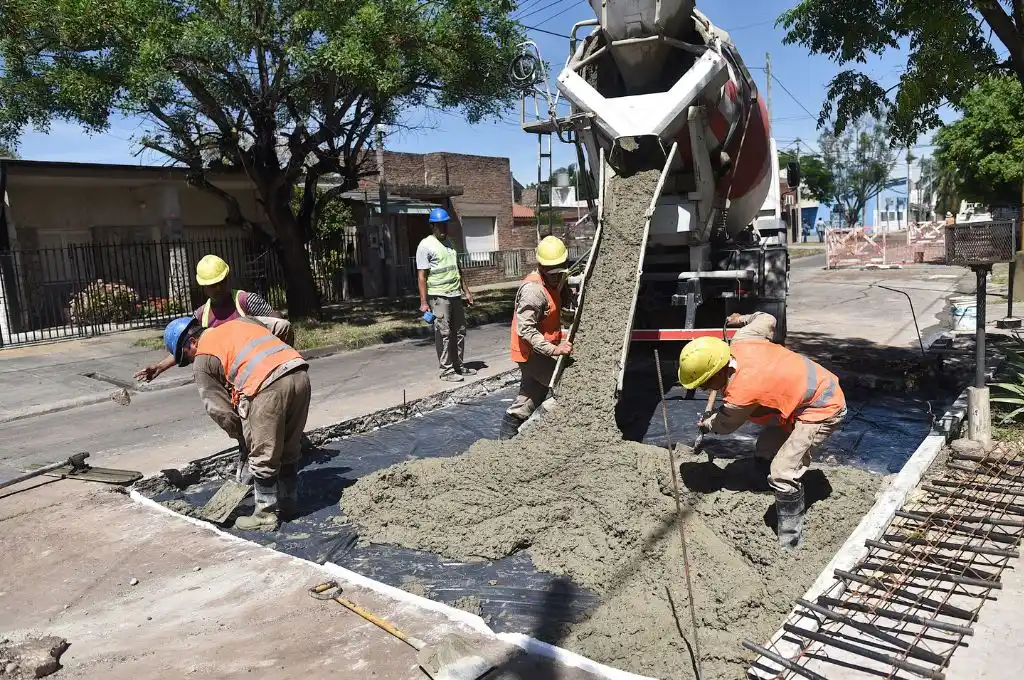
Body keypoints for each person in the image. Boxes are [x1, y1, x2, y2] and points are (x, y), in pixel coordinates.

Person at [677, 312, 847, 550]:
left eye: (705, 384)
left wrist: (707, 423)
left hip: (822, 407)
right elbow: (767, 318)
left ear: (717, 372)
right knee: (767, 446)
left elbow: (725, 424)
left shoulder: (742, 392)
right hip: (799, 402)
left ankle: (790, 538)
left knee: (782, 472)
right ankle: (763, 487)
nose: (704, 390)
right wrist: (742, 318)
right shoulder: (742, 339)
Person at [163, 315, 311, 531]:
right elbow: (283, 325)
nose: (192, 361)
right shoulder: (241, 322)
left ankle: (264, 515)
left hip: (266, 386)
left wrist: (242, 436)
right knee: (289, 446)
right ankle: (289, 502)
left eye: (188, 357)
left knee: (263, 454)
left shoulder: (203, 359)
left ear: (192, 343)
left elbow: (219, 410)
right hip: (298, 371)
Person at [135, 254, 293, 383]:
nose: (217, 288)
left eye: (220, 282)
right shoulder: (202, 314)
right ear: (203, 287)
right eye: (212, 285)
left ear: (227, 279)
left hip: (259, 372)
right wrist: (160, 367)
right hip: (227, 380)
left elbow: (279, 324)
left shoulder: (245, 301)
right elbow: (185, 345)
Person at [499, 236, 573, 440]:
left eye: (560, 269)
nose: (557, 276)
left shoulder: (555, 281)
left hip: (539, 350)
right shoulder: (533, 291)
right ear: (541, 266)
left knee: (530, 397)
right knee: (566, 389)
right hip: (532, 352)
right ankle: (530, 436)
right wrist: (554, 350)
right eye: (552, 271)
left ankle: (505, 444)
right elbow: (526, 330)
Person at [416, 207, 476, 382]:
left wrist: (467, 292)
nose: (444, 229)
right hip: (439, 296)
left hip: (455, 294)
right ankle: (447, 370)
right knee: (444, 333)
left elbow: (458, 269)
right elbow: (422, 276)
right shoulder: (425, 245)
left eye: (445, 225)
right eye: (440, 226)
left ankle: (458, 365)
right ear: (432, 226)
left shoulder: (450, 243)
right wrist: (423, 302)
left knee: (459, 332)